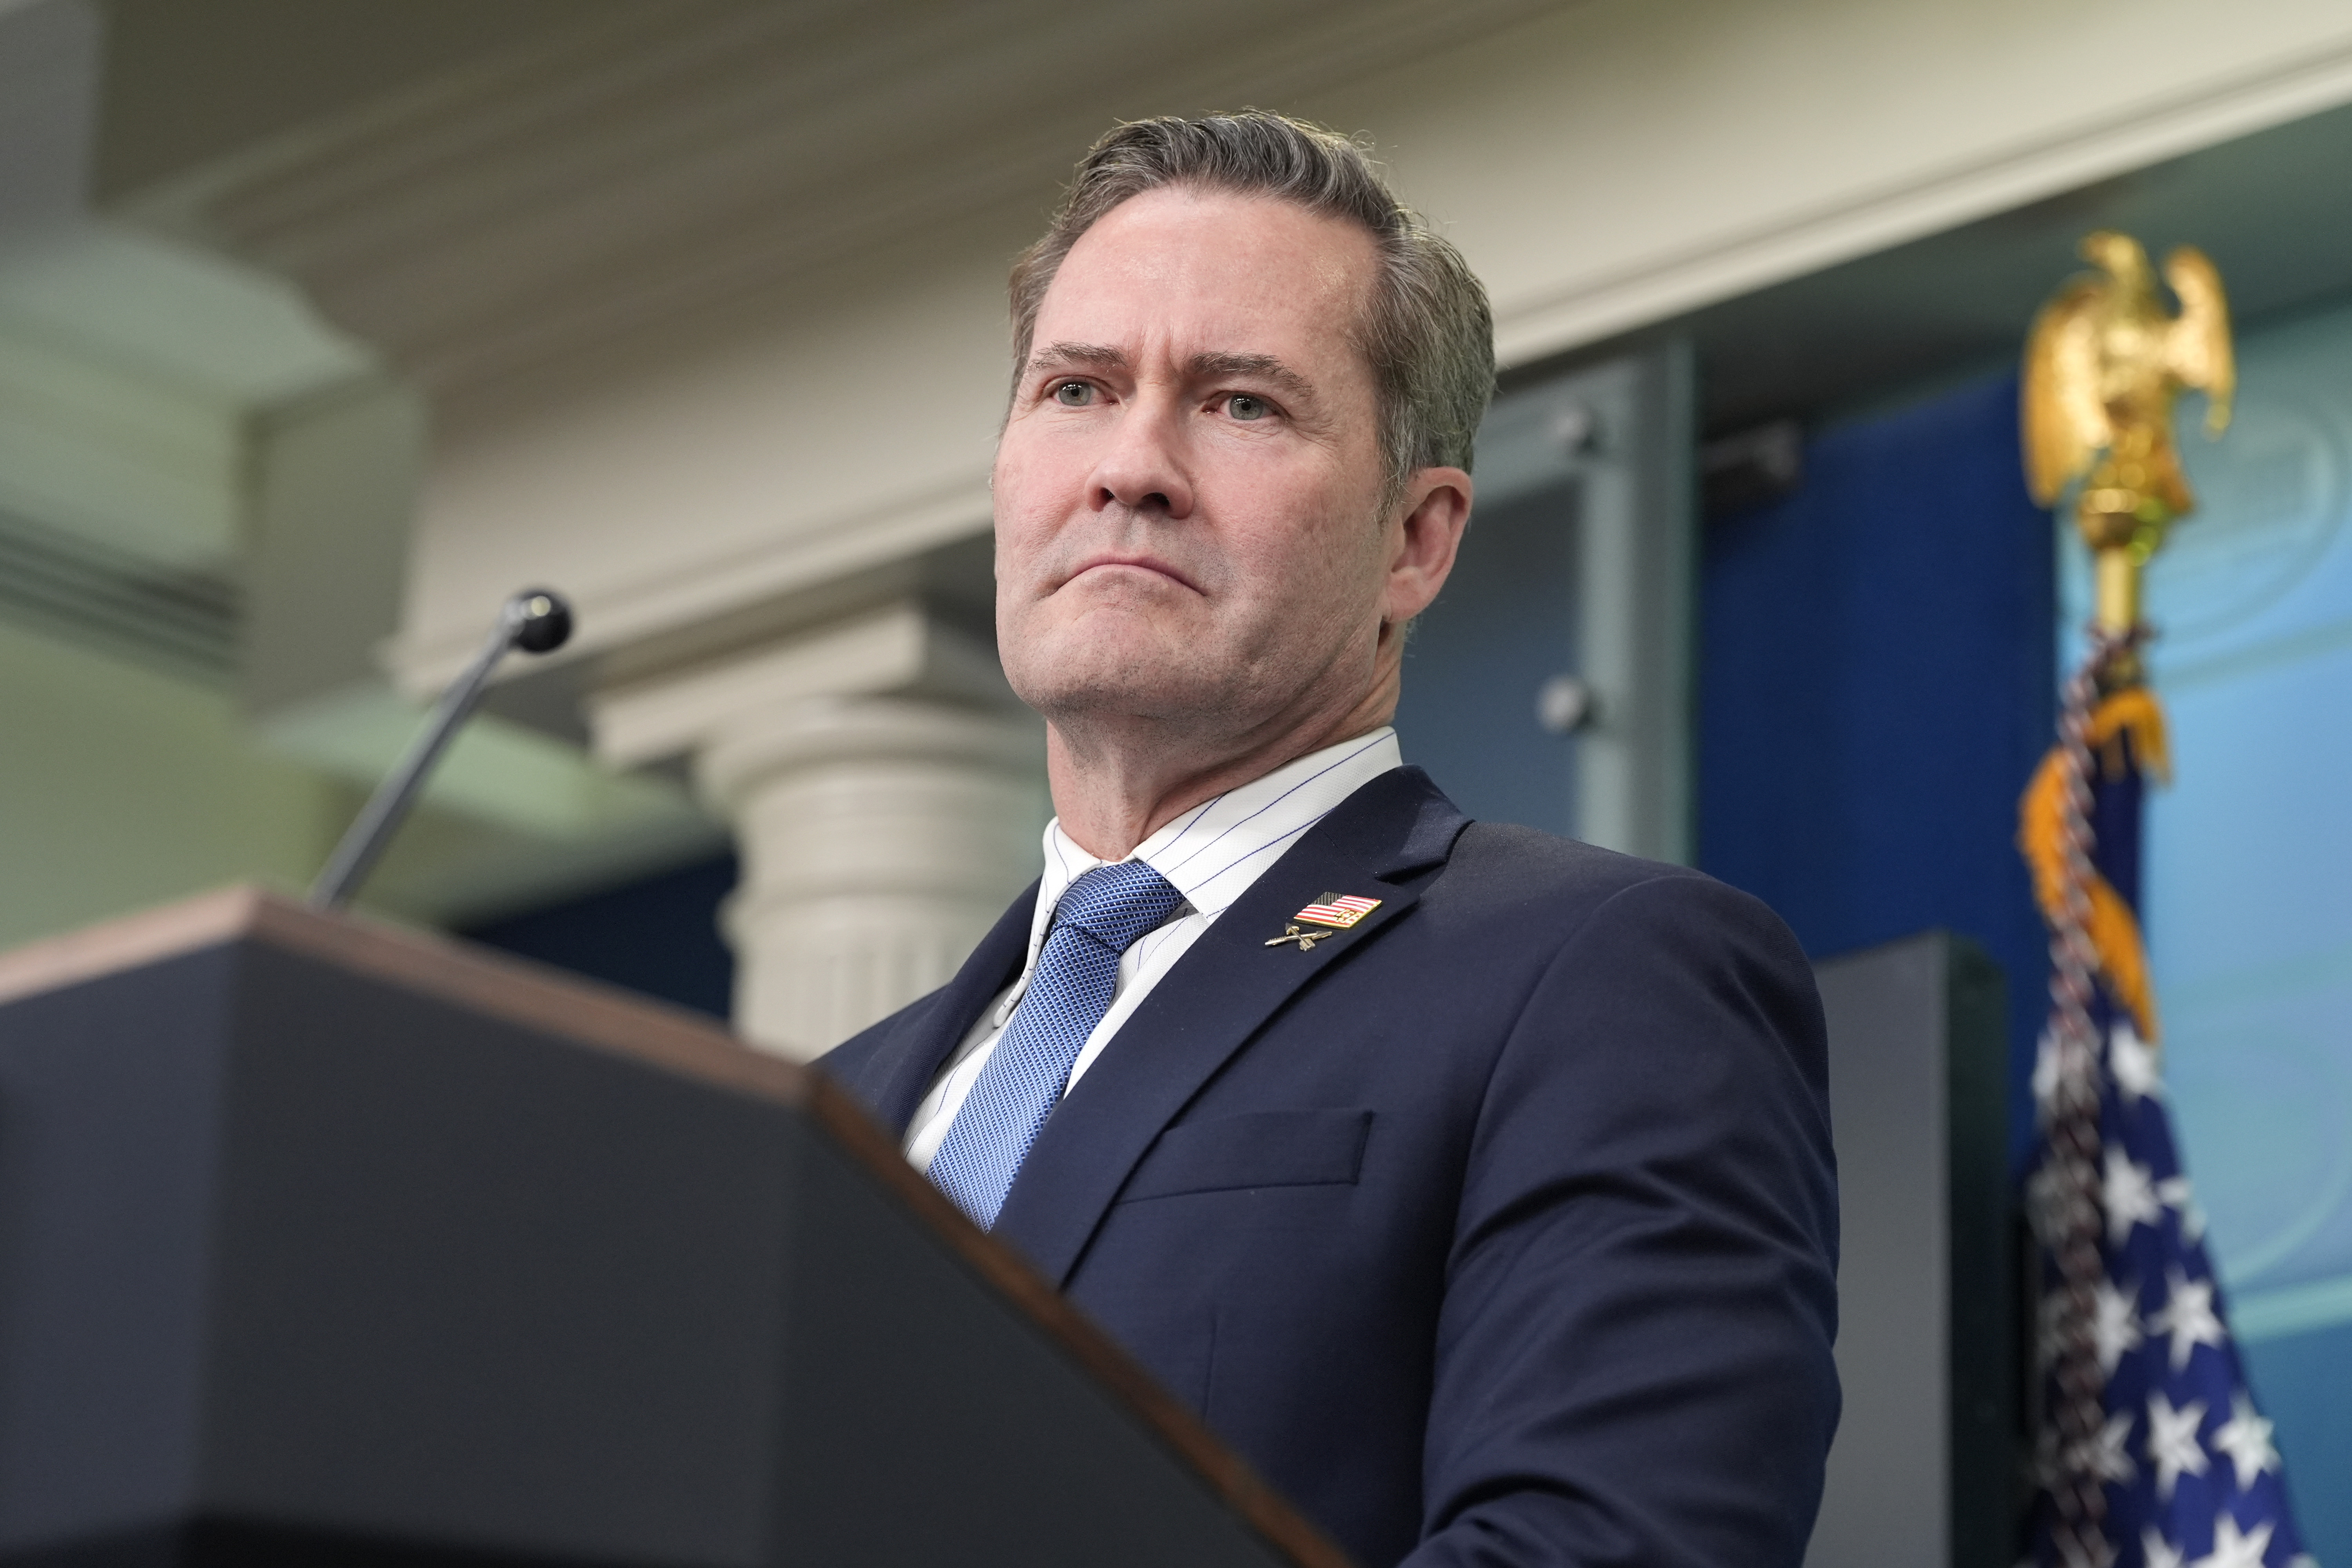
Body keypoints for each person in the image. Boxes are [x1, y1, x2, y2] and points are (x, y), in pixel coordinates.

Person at [820, 111, 1839, 1568]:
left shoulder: (1598, 977)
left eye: (1240, 404)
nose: (1133, 467)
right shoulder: (827, 1115)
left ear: (1416, 540)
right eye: (1077, 389)